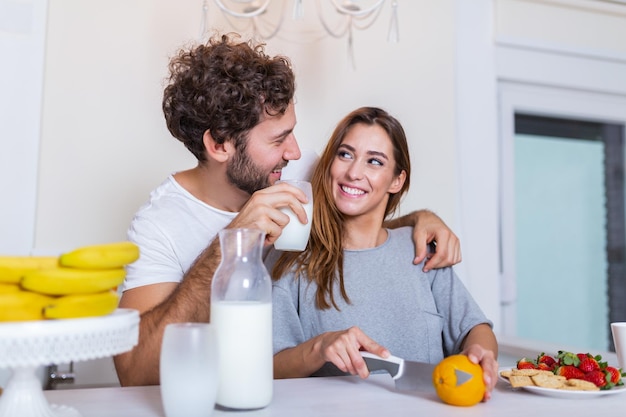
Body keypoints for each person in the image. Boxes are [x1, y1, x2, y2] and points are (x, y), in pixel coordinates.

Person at [113, 34, 462, 387]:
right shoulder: (160, 225)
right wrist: (230, 243)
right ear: (219, 144)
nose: (295, 152)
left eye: (291, 133)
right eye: (278, 140)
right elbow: (134, 372)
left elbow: (362, 225)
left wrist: (418, 220)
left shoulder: (300, 175)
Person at [269, 107, 498, 401]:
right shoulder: (290, 259)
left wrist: (480, 353)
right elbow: (269, 368)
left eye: (374, 161)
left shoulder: (421, 251)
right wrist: (320, 347)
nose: (354, 172)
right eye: (345, 154)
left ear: (396, 181)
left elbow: (474, 327)